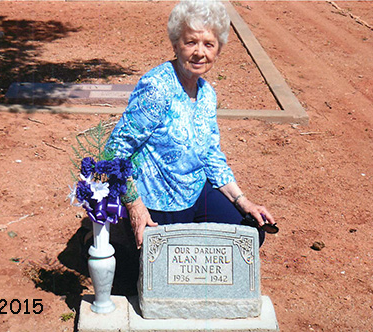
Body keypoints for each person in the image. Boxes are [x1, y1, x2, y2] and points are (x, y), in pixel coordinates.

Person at [105, 0, 276, 249]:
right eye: (191, 42)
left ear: (218, 50)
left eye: (208, 44)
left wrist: (243, 202)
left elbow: (211, 155)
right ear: (176, 45)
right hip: (157, 198)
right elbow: (115, 151)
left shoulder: (207, 94)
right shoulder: (157, 87)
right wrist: (136, 207)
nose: (199, 52)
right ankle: (106, 237)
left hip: (195, 192)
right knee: (158, 264)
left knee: (249, 234)